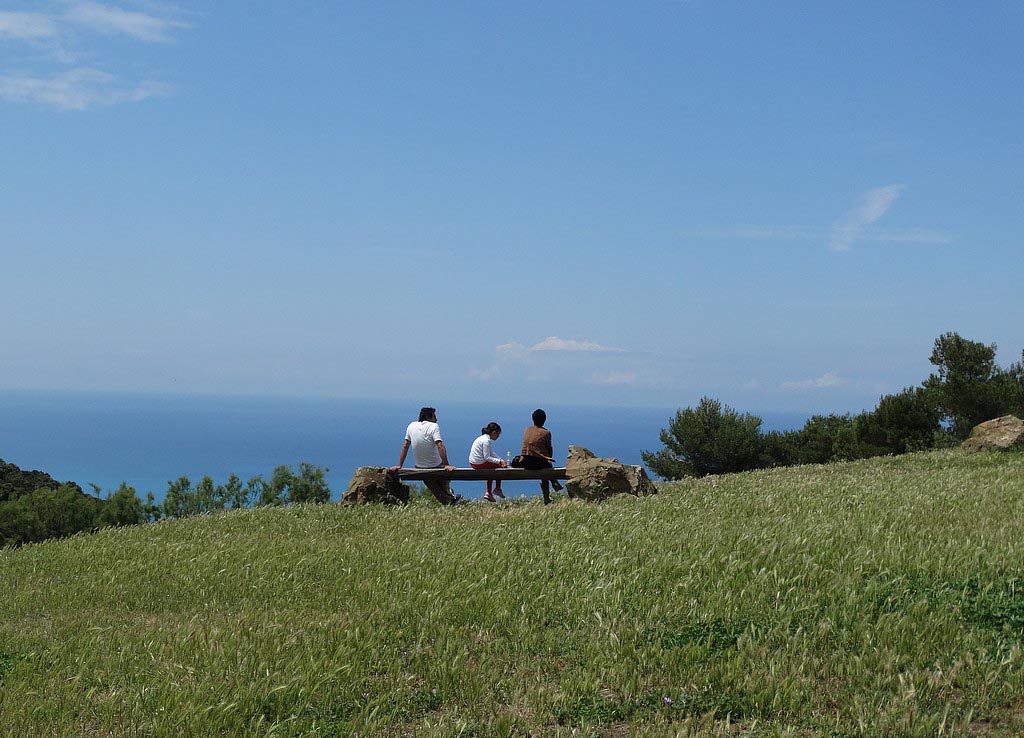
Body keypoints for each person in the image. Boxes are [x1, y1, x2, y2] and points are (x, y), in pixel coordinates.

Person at [390, 407, 460, 505]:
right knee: (443, 478)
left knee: (431, 482)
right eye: (434, 416)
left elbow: (405, 446)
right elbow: (440, 446)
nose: (436, 419)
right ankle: (449, 497)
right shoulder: (433, 426)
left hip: (420, 467)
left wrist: (399, 465)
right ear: (429, 417)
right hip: (436, 465)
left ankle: (449, 498)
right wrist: (446, 465)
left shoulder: (411, 426)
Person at [514, 408, 563, 505]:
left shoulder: (527, 429)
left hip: (525, 461)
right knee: (545, 467)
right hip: (539, 463)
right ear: (544, 420)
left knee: (544, 466)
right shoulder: (546, 432)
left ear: (533, 419)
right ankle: (547, 494)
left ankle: (553, 483)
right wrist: (548, 459)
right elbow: (549, 448)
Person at [469, 422, 507, 502]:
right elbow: (487, 457)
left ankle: (489, 492)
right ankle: (497, 489)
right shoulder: (486, 441)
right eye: (498, 434)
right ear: (493, 432)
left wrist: (500, 460)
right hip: (479, 463)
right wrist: (500, 462)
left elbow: (491, 453)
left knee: (493, 468)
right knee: (499, 468)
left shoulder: (483, 438)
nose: (498, 436)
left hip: (474, 462)